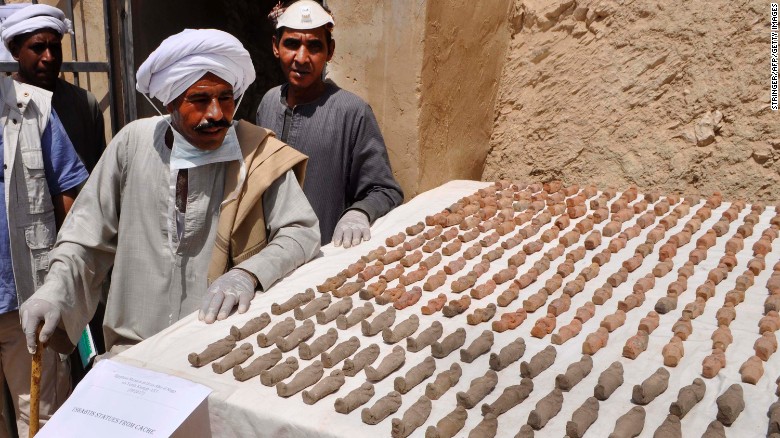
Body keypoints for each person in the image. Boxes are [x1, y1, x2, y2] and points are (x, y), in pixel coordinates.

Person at [20, 29, 320, 359]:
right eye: (201, 100)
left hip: (217, 350)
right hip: (132, 351)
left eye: (226, 98)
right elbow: (84, 238)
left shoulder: (255, 153)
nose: (217, 114)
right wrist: (54, 291)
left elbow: (301, 232)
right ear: (170, 102)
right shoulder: (132, 144)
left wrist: (246, 274)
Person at [257, 0, 403, 248]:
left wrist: (360, 212)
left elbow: (384, 189)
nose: (301, 58)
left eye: (314, 47)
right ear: (275, 47)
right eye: (292, 44)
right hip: (268, 255)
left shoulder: (352, 112)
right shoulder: (269, 102)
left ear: (330, 51)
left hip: (320, 257)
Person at [0, 52, 87, 436]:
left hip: (27, 302)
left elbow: (68, 198)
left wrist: (59, 282)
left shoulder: (33, 108)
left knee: (44, 420)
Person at [3, 4, 106, 172]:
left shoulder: (84, 104)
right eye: (38, 48)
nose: (49, 57)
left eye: (55, 47)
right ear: (15, 51)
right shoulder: (4, 102)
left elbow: (100, 171)